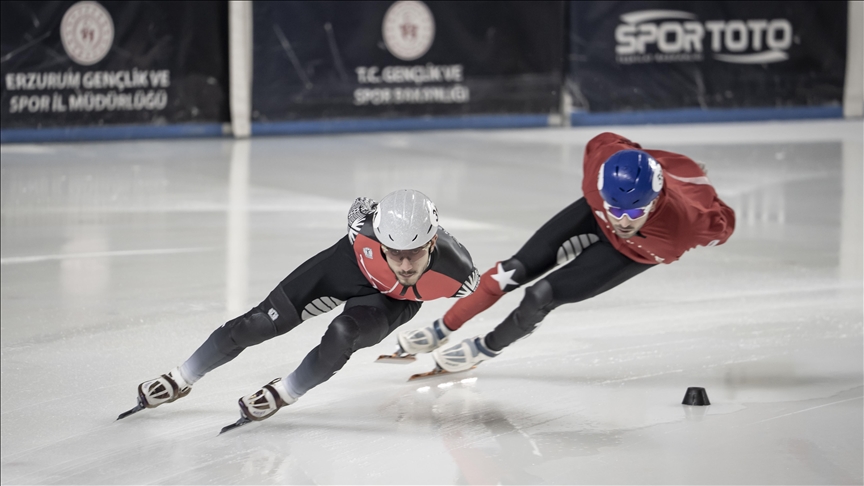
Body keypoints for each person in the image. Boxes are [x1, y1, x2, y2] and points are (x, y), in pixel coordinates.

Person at [122, 189, 479, 423]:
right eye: (393, 252)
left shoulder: (460, 277)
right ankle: (181, 377)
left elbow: (478, 300)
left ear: (432, 241)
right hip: (344, 269)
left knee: (342, 335)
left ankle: (287, 391)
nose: (403, 265)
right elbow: (361, 202)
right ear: (377, 239)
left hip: (387, 302)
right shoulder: (361, 227)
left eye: (413, 254)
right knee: (256, 324)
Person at [391, 132, 736, 373]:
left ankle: (486, 348)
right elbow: (610, 141)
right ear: (600, 187)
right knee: (508, 272)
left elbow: (725, 223)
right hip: (594, 215)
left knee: (541, 295)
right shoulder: (599, 163)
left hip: (634, 254)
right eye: (614, 208)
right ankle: (442, 328)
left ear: (655, 201)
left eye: (633, 212)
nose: (622, 220)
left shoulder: (686, 226)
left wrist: (696, 184)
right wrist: (649, 163)